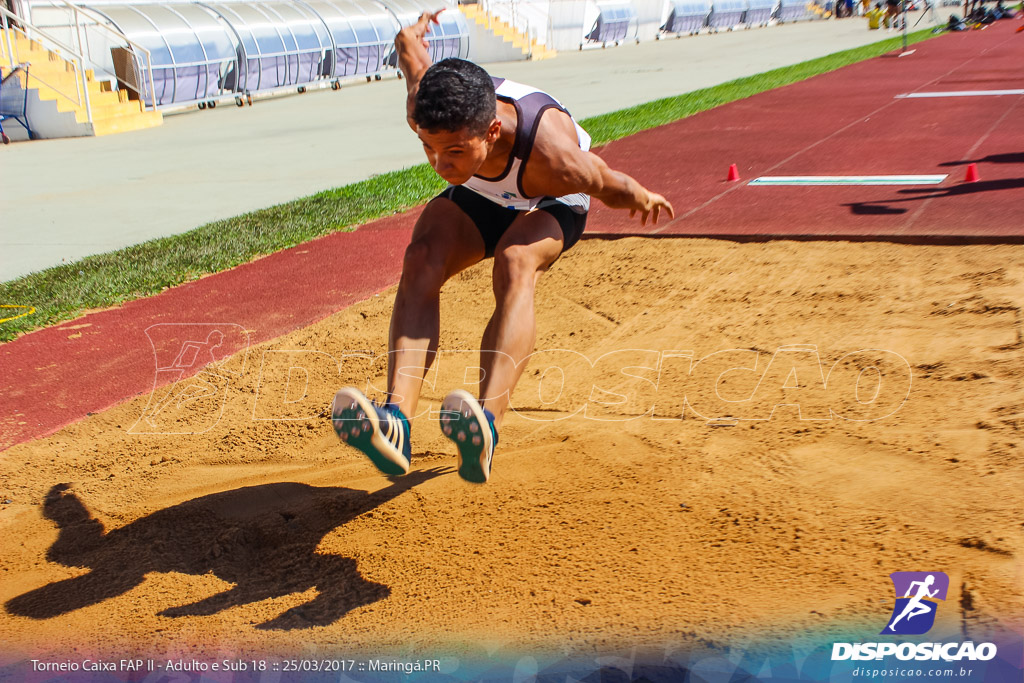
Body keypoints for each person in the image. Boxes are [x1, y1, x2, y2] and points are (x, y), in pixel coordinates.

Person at [331, 10, 674, 484]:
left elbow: (608, 183)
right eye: (428, 148)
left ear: (491, 132)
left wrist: (643, 197)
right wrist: (409, 33)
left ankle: (486, 423)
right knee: (421, 257)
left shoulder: (555, 155)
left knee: (515, 259)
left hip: (548, 195)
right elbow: (410, 55)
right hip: (485, 191)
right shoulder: (427, 106)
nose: (438, 163)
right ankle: (395, 422)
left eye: (453, 151)